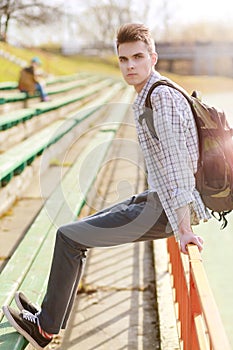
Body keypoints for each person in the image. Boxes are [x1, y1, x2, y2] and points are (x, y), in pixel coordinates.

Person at [2, 23, 210, 349]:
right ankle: (50, 314)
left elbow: (178, 167)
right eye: (123, 59)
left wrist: (183, 229)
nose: (130, 65)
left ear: (152, 57)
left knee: (68, 236)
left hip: (166, 211)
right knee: (77, 233)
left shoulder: (162, 98)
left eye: (138, 57)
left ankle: (45, 327)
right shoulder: (149, 93)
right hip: (158, 200)